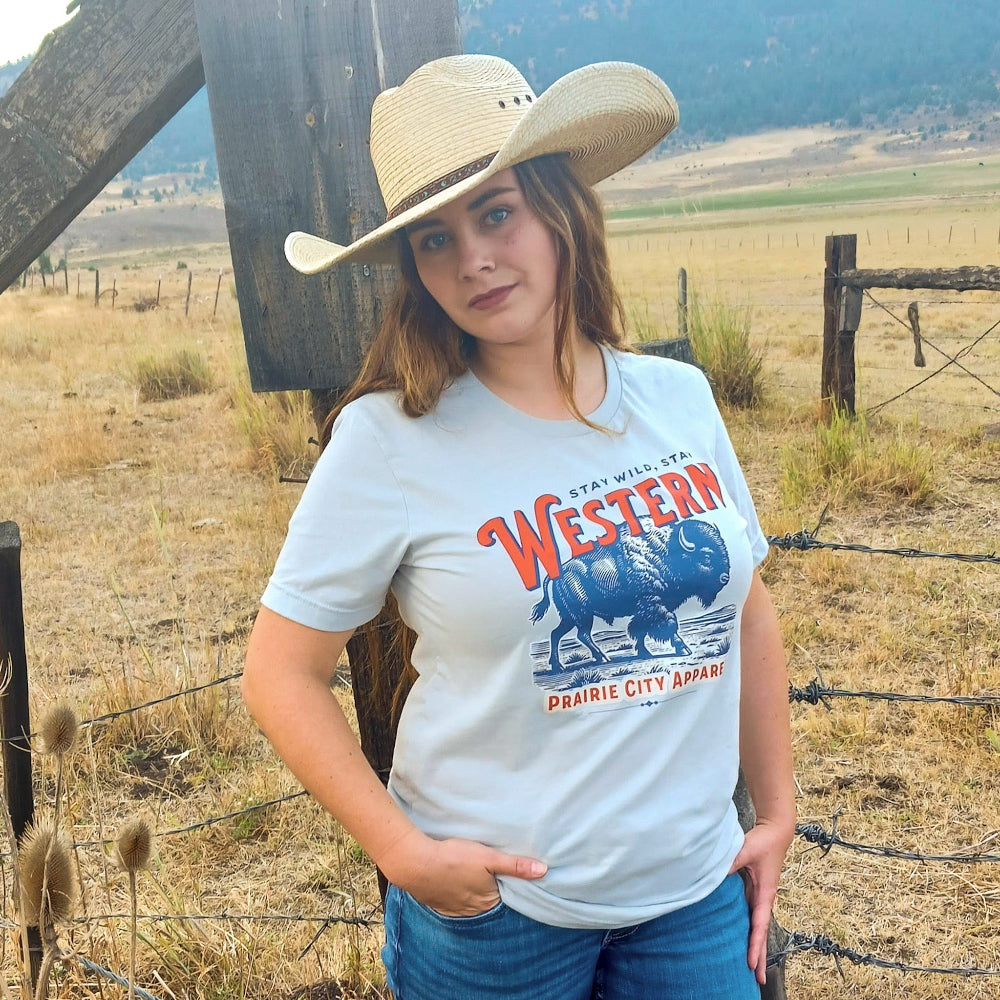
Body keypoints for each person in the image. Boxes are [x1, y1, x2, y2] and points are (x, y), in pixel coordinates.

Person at [243, 54, 795, 1000]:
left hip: (693, 893)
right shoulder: (390, 438)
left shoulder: (679, 400)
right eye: (433, 239)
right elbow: (278, 671)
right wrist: (404, 852)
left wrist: (778, 810)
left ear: (561, 205)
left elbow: (746, 608)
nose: (472, 260)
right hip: (497, 921)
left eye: (496, 212)